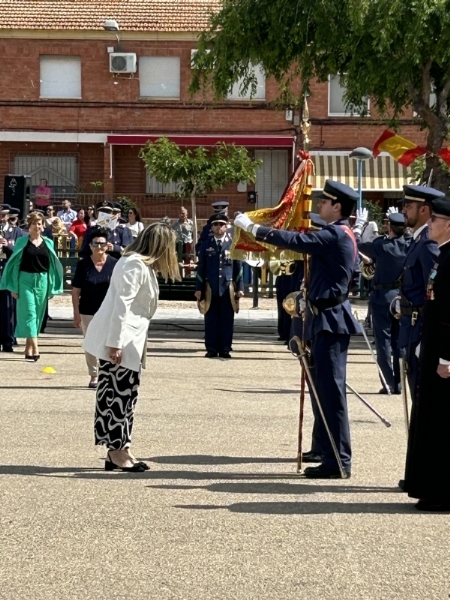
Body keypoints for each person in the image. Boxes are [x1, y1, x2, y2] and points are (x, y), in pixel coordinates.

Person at [234, 180, 360, 479]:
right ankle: (327, 451)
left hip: (330, 321)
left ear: (337, 207)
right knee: (323, 392)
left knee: (331, 394)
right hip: (322, 318)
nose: (319, 206)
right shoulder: (337, 233)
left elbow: (295, 242)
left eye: (324, 203)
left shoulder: (335, 234)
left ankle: (338, 461)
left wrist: (253, 228)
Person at [83, 222, 180, 472]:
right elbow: (121, 306)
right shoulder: (134, 265)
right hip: (121, 341)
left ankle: (121, 447)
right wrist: (115, 343)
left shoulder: (137, 264)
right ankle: (117, 451)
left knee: (125, 396)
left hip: (129, 340)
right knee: (118, 397)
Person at [404, 196, 450, 512]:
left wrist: (447, 356)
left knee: (443, 423)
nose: (430, 223)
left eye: (435, 219)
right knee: (431, 419)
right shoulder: (443, 256)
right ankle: (429, 485)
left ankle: (442, 491)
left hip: (444, 354)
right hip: (433, 345)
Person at [354, 208, 409, 394]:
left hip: (381, 297)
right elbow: (411, 236)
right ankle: (399, 382)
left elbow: (358, 243)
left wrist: (359, 224)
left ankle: (389, 383)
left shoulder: (382, 246)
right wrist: (402, 220)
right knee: (398, 341)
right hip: (400, 297)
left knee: (383, 342)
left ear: (390, 228)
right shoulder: (408, 245)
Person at [397, 184, 444, 398]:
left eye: (408, 206)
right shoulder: (417, 240)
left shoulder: (427, 243)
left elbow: (435, 292)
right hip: (410, 327)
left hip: (419, 329)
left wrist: (427, 339)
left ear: (424, 210)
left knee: (421, 397)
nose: (403, 211)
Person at [0, 211, 63, 361]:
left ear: (43, 226)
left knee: (37, 316)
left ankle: (28, 348)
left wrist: (52, 286)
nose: (37, 226)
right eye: (34, 224)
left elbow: (52, 266)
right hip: (25, 280)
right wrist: (14, 287)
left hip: (42, 280)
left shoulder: (48, 242)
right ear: (29, 226)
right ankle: (35, 347)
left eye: (40, 224)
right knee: (29, 313)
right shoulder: (22, 241)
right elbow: (15, 265)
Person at [71, 227, 118, 388]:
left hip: (109, 311)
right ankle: (94, 374)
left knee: (108, 342)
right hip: (87, 310)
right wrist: (76, 314)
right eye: (95, 243)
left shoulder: (115, 264)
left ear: (107, 245)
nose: (99, 246)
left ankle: (108, 372)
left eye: (102, 243)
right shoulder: (83, 265)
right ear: (90, 246)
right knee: (90, 343)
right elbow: (76, 291)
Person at [195, 214, 244, 359]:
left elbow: (238, 268)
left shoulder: (232, 244)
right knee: (211, 319)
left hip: (227, 287)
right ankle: (211, 348)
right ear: (211, 227)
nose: (218, 227)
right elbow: (201, 268)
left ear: (226, 227)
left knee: (227, 319)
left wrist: (240, 287)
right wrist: (198, 288)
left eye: (221, 224)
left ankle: (225, 348)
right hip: (210, 287)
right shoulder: (206, 244)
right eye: (215, 224)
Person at [0, 204, 24, 352]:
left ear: (8, 216)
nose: (1, 218)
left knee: (8, 310)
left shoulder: (17, 232)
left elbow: (20, 252)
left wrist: (7, 246)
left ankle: (8, 340)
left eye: (3, 215)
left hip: (8, 275)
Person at [172, 207, 194, 275]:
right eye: (180, 213)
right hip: (178, 244)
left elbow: (193, 234)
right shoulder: (175, 224)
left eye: (183, 213)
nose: (182, 215)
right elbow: (172, 234)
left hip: (188, 244)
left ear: (187, 214)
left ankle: (188, 276)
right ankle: (179, 276)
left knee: (188, 260)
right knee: (179, 261)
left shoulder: (191, 223)